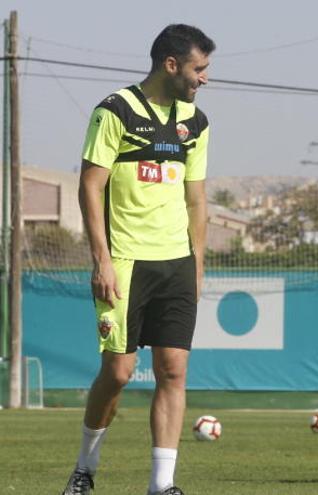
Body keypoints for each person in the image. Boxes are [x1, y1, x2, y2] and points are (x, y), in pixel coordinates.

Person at [61, 24, 213, 495]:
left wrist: (198, 264)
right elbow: (90, 185)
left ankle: (162, 485)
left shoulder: (196, 122)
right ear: (171, 65)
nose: (204, 78)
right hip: (125, 262)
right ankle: (85, 468)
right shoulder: (115, 111)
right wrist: (101, 260)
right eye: (198, 68)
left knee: (174, 371)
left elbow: (196, 199)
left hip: (176, 263)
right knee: (119, 373)